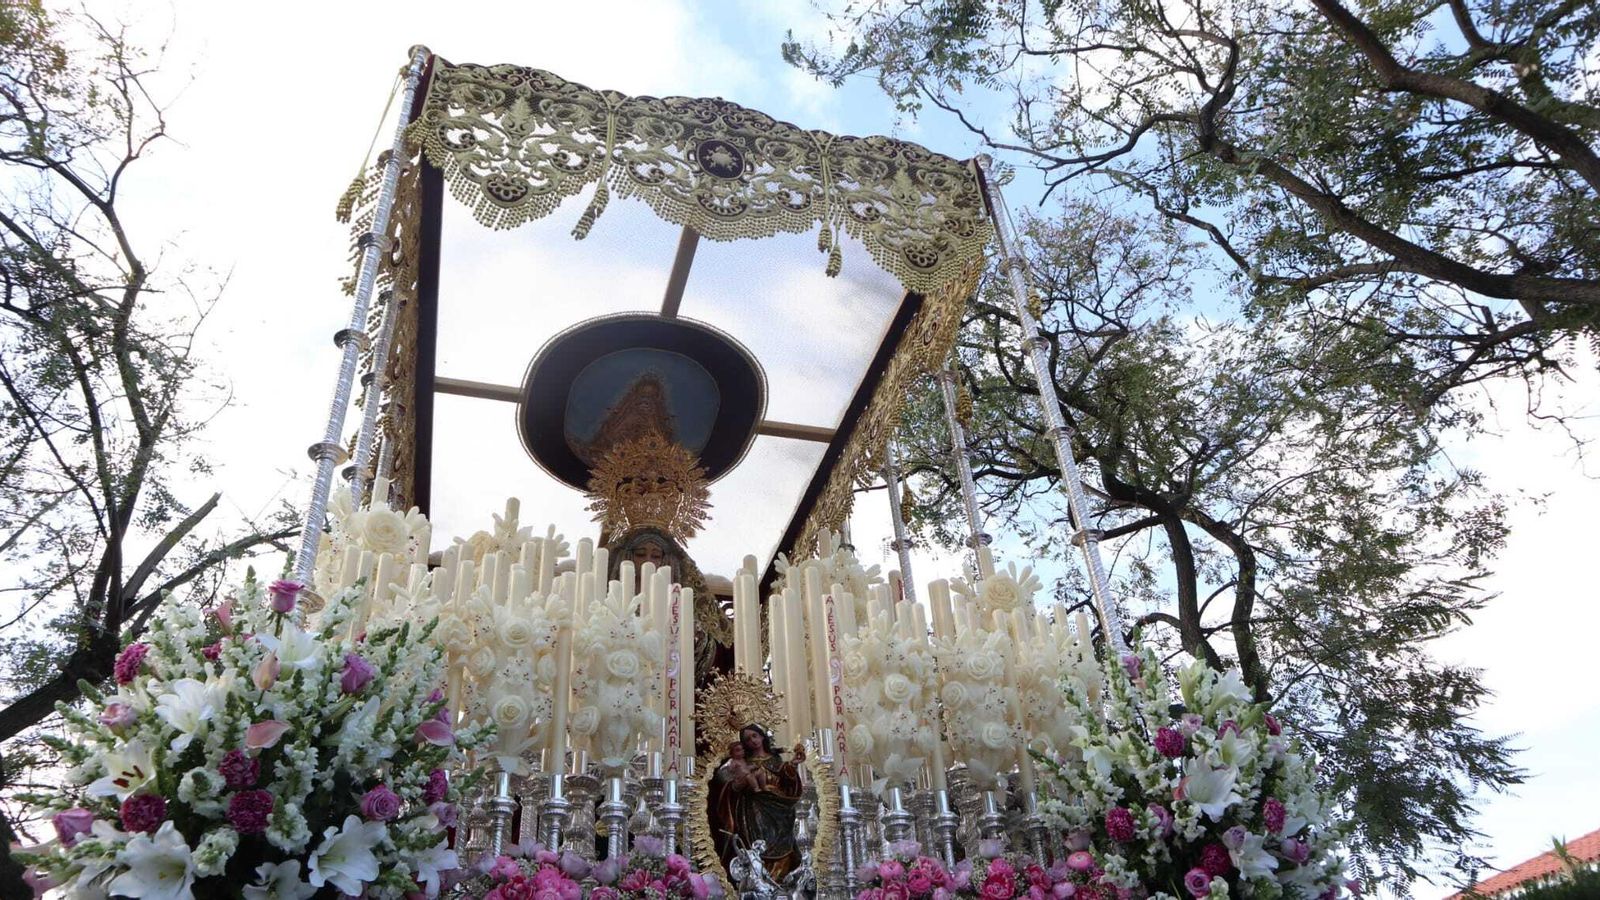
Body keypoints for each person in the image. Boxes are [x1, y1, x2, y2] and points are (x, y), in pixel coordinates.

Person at [708, 725, 806, 881]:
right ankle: (758, 878)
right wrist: (737, 785)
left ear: (762, 737)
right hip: (751, 812)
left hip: (778, 811)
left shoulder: (775, 760)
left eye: (754, 736)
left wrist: (793, 764)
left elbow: (787, 784)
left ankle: (780, 881)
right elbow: (726, 784)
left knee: (782, 849)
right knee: (756, 846)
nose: (752, 741)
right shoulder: (742, 762)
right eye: (747, 739)